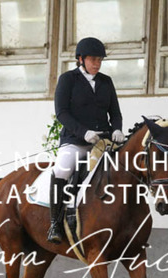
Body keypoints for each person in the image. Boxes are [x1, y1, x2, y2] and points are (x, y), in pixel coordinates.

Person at [47, 37, 124, 244]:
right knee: (62, 170)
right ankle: (55, 223)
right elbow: (62, 113)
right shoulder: (67, 79)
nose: (97, 64)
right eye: (93, 60)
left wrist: (117, 129)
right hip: (76, 141)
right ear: (80, 59)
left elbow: (115, 112)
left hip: (103, 142)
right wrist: (84, 132)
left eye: (100, 60)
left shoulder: (106, 81)